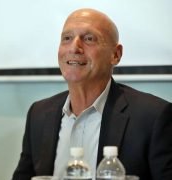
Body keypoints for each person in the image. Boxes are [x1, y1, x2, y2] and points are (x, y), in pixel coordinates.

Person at [12, 8, 172, 180]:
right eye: (67, 38)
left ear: (116, 55)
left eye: (89, 39)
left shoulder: (152, 117)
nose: (74, 47)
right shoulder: (39, 114)